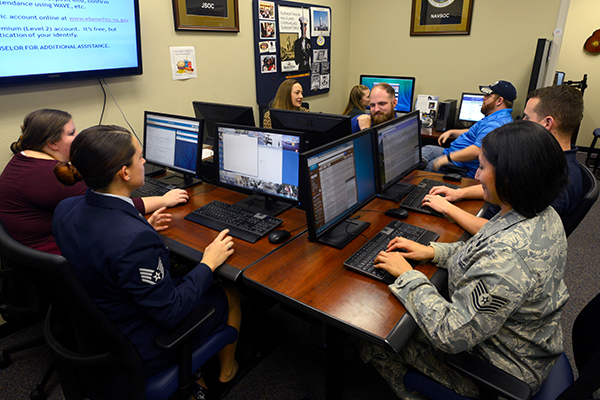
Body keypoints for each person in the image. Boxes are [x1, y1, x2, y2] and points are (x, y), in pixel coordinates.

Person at [362, 121, 569, 399]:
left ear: (508, 178)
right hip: (524, 341)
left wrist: (408, 277)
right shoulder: (537, 212)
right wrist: (434, 251)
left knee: (375, 334)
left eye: (482, 167)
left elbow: (450, 334)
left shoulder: (507, 260)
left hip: (495, 369)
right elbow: (485, 248)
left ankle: (412, 389)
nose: (478, 175)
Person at [52, 125, 240, 397]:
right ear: (124, 172)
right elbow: (171, 312)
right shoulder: (132, 239)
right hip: (136, 344)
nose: (144, 161)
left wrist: (142, 226)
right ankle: (228, 373)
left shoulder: (65, 209)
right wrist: (207, 264)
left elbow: (101, 248)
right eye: (139, 157)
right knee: (230, 292)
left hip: (94, 327)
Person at [0, 109, 188, 254]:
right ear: (52, 144)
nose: (77, 137)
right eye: (71, 133)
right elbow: (112, 207)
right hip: (62, 259)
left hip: (36, 256)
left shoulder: (23, 159)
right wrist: (164, 200)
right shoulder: (53, 176)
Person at [426, 85, 584, 235]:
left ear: (547, 123)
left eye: (527, 117)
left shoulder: (556, 180)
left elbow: (508, 235)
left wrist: (449, 209)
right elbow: (505, 188)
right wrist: (458, 193)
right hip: (491, 217)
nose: (522, 122)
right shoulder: (544, 160)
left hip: (491, 234)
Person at [422, 80, 516, 178]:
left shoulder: (495, 123)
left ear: (499, 101)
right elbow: (476, 132)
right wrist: (451, 132)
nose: (484, 97)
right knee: (428, 149)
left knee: (429, 166)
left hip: (460, 165)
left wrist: (447, 158)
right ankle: (419, 165)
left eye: (488, 95)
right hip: (454, 155)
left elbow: (478, 150)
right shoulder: (499, 117)